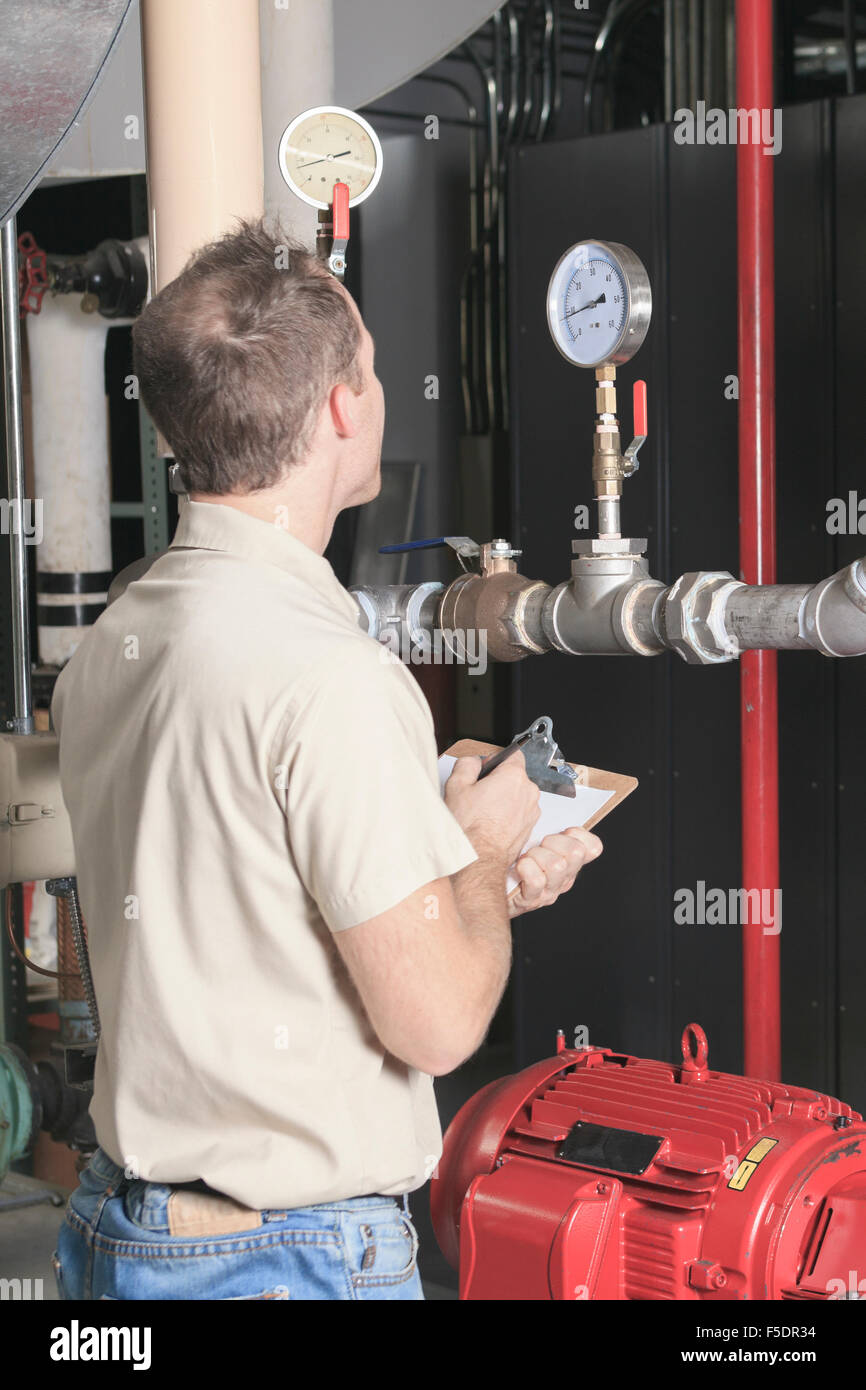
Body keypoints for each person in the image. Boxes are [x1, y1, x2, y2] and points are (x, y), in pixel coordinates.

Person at [50, 218, 602, 1301]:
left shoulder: (119, 636)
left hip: (128, 1234)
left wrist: (462, 885)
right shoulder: (330, 678)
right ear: (345, 407)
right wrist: (483, 854)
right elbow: (437, 1024)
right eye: (374, 367)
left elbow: (244, 908)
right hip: (277, 1262)